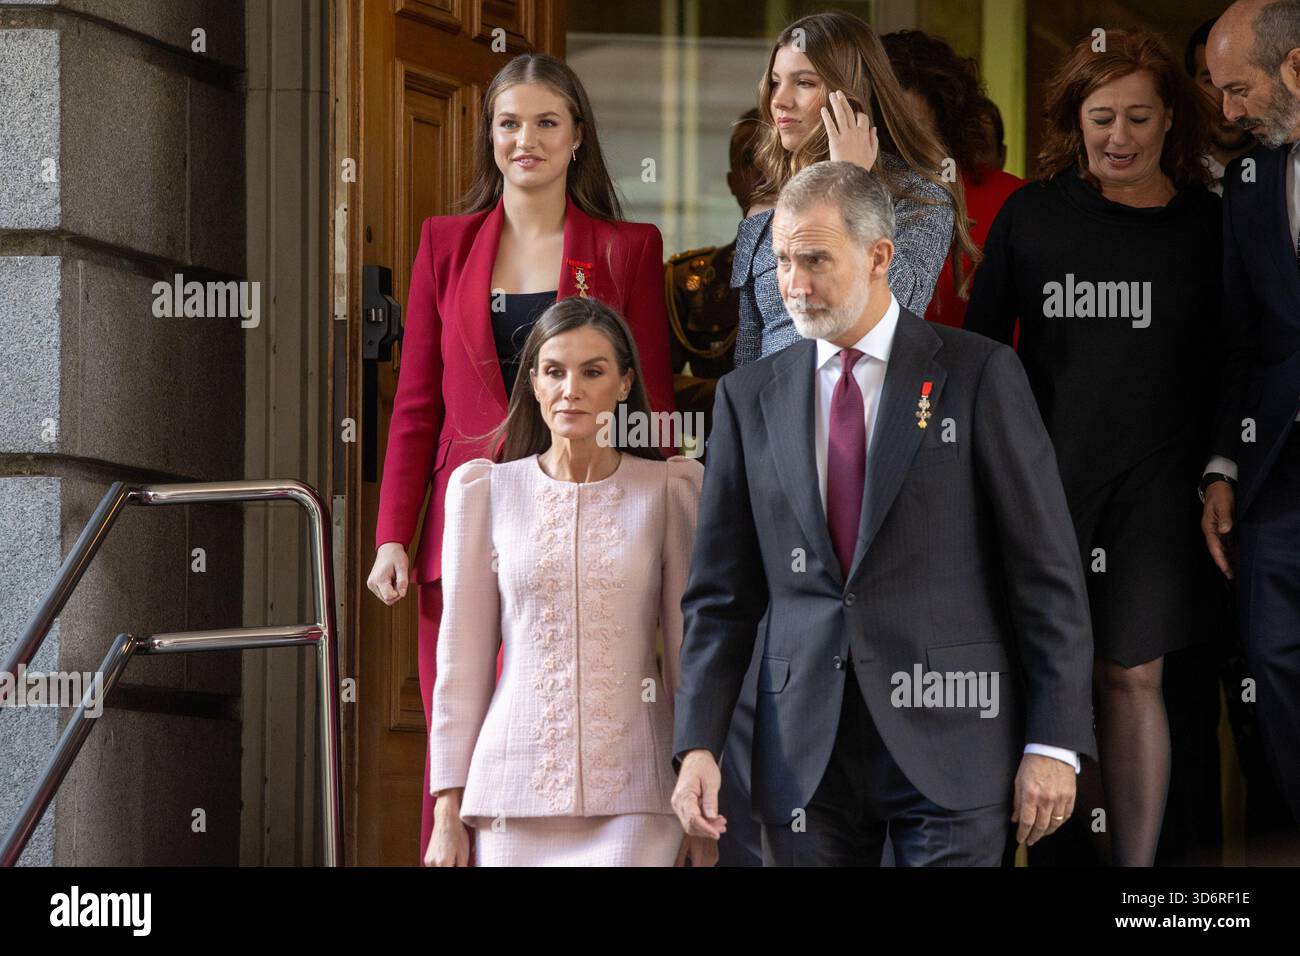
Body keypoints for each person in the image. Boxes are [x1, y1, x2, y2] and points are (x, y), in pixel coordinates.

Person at [670, 160, 1096, 867]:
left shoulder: (978, 374)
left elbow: (1045, 570)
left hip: (955, 742)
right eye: (781, 261)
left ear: (879, 257)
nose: (794, 285)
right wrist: (699, 743)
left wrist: (1053, 740)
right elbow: (720, 596)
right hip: (804, 753)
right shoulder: (748, 398)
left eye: (815, 260)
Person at [365, 52, 676, 866]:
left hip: (592, 518)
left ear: (578, 138)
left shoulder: (628, 247)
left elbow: (651, 407)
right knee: (460, 743)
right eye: (509, 123)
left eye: (546, 122)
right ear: (490, 137)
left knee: (581, 723)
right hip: (469, 529)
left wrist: (675, 520)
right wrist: (394, 532)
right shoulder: (446, 242)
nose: (525, 140)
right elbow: (416, 404)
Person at [965, 30, 1227, 867]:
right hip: (1047, 479)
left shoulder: (1206, 225)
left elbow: (1238, 359)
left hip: (1160, 480)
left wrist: (1224, 464)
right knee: (1051, 678)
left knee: (1132, 675)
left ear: (1169, 123)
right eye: (1102, 116)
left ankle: (1138, 880)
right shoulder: (1031, 216)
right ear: (1072, 121)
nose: (1120, 136)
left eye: (1140, 118)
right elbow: (979, 349)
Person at [424, 296, 709, 867]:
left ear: (625, 384)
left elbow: (690, 657)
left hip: (640, 792)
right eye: (554, 371)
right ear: (533, 382)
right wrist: (447, 812)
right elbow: (463, 662)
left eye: (593, 371)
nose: (570, 389)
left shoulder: (670, 491)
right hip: (512, 792)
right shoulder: (485, 494)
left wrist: (698, 792)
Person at [731, 10, 978, 366]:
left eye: (804, 83)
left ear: (850, 90)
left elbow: (897, 315)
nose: (779, 100)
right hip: (775, 414)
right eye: (775, 82)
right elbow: (750, 354)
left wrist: (849, 185)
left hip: (866, 408)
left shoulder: (920, 197)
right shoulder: (767, 204)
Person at [1202, 0, 1300, 841]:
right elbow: (1240, 338)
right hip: (1278, 469)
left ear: (1296, 68)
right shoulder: (1250, 182)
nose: (1229, 112)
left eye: (1238, 89)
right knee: (1270, 659)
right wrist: (1223, 468)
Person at [882, 30, 1025, 329]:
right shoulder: (827, 194)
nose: (901, 147)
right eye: (887, 129)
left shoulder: (1011, 200)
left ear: (947, 126)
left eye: (915, 132)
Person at [665, 109, 763, 447]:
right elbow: (654, 386)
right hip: (718, 458)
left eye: (779, 155)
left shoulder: (833, 271)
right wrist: (738, 399)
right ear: (733, 182)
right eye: (751, 159)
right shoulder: (692, 282)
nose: (767, 170)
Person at [1187, 16, 1258, 194]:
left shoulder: (1289, 170)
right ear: (1190, 87)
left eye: (1238, 82)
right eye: (1210, 81)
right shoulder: (1172, 174)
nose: (1225, 101)